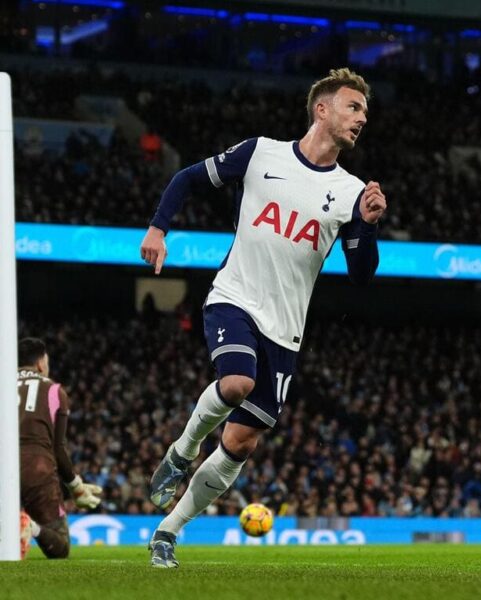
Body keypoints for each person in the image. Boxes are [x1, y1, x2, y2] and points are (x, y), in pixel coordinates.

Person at [140, 67, 386, 568]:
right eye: (353, 107)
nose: (362, 119)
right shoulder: (260, 154)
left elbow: (361, 274)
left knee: (241, 439)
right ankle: (182, 452)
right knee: (235, 384)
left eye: (364, 111)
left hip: (286, 330)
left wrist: (368, 224)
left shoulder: (351, 191)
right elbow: (188, 177)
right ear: (322, 109)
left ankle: (168, 531)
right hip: (235, 296)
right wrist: (158, 229)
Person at [18, 337, 103, 559]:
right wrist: (76, 487)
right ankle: (30, 526)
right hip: (38, 468)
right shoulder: (53, 390)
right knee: (60, 547)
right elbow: (58, 447)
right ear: (40, 362)